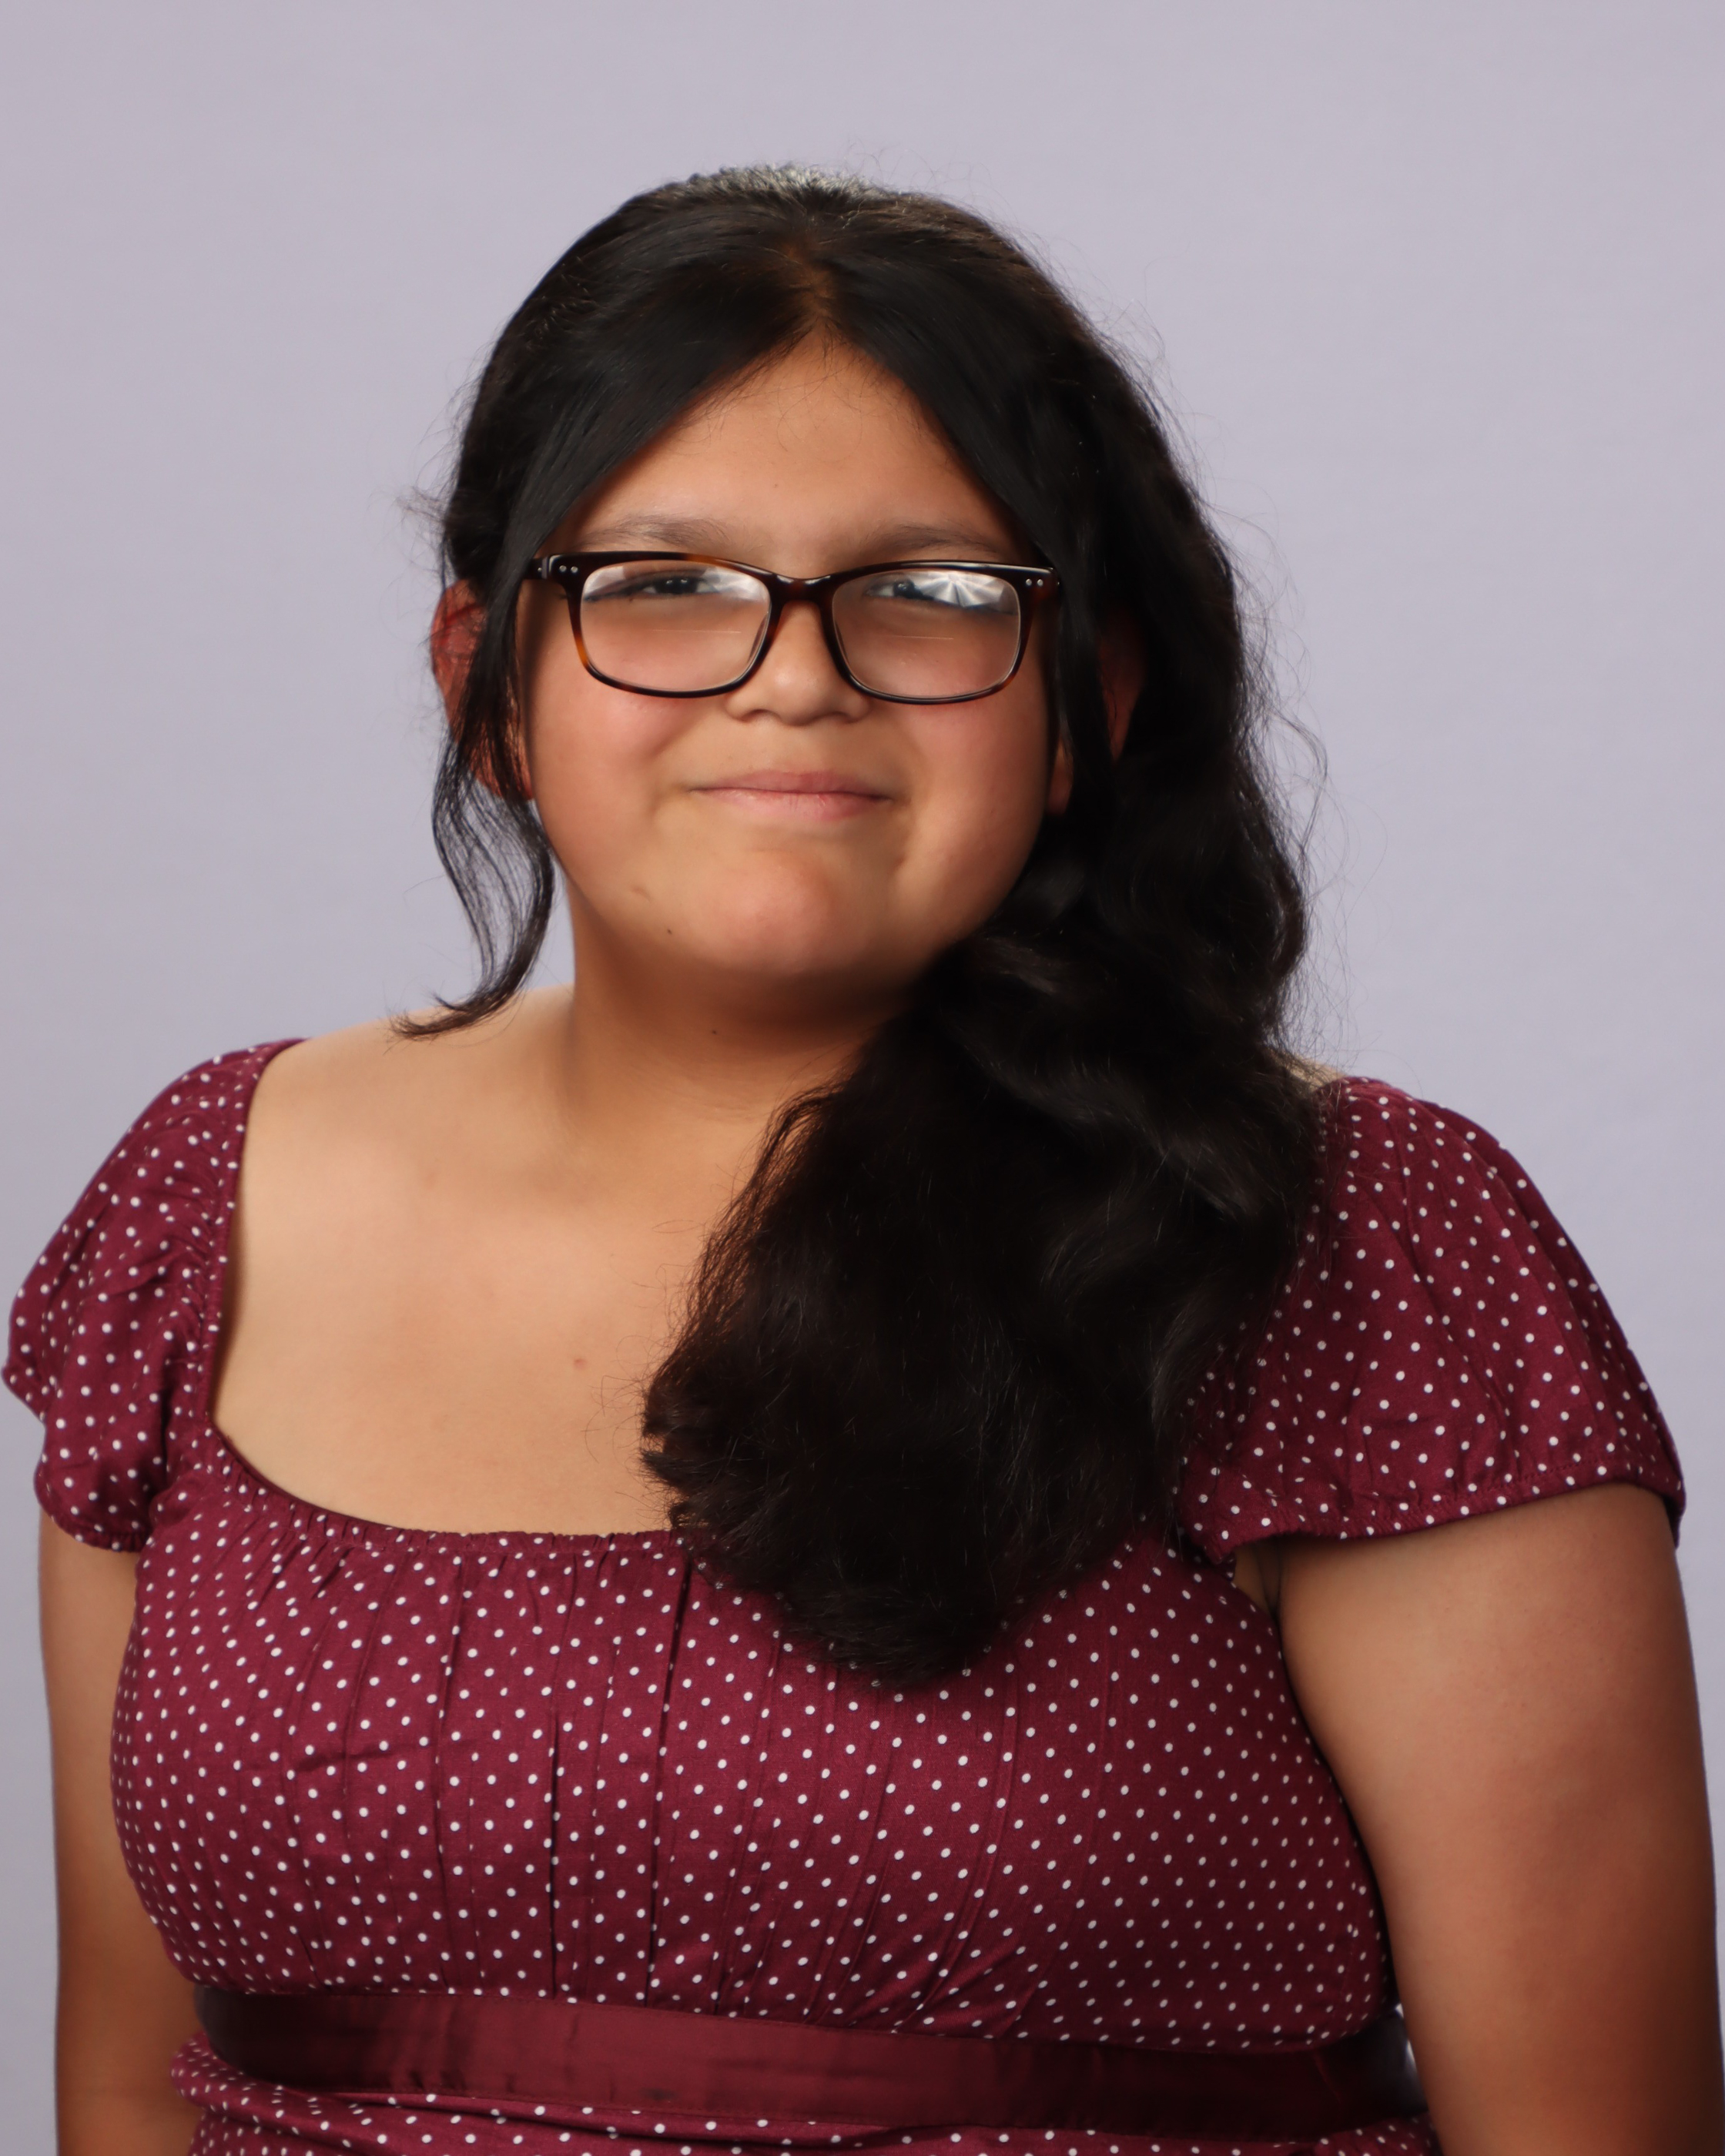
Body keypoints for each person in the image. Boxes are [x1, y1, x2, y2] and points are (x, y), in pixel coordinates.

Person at [10, 166, 1719, 2156]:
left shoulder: (1354, 1244)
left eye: (933, 592)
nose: (795, 674)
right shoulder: (209, 1197)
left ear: (1086, 704)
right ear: (487, 684)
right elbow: (128, 2083)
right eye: (664, 584)